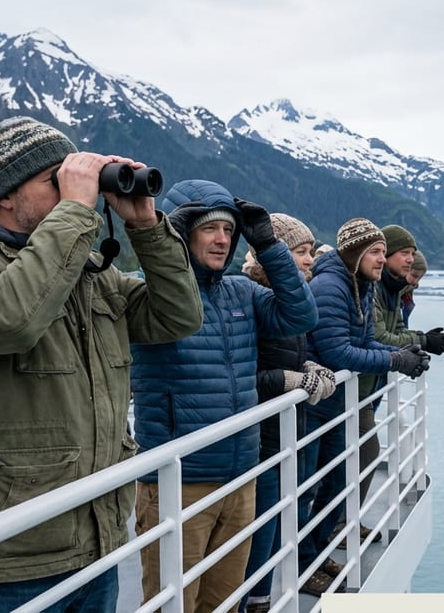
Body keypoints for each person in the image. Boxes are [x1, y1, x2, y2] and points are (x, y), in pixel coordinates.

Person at [0, 116, 203, 612]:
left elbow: (177, 315)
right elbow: (12, 318)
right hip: (11, 557)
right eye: (58, 179)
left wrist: (146, 227)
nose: (79, 190)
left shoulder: (90, 275)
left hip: (98, 538)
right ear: (5, 194)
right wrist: (75, 210)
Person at [130, 180, 318, 612]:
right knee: (174, 605)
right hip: (180, 484)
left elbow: (301, 314)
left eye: (229, 231)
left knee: (224, 602)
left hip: (240, 477)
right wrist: (164, 250)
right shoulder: (150, 293)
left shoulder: (241, 291)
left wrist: (268, 244)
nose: (221, 239)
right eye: (209, 228)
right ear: (181, 232)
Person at [298, 218, 430, 596]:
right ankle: (305, 564)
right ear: (356, 254)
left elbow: (367, 340)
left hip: (337, 405)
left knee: (337, 483)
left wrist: (401, 351)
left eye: (383, 251)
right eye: (376, 251)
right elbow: (336, 350)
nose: (382, 257)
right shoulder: (330, 286)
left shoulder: (360, 285)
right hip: (317, 406)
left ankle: (318, 551)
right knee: (310, 487)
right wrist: (394, 362)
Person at [239, 213, 336, 613]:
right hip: (260, 435)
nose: (311, 259)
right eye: (302, 251)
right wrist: (290, 380)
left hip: (281, 434)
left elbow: (288, 354)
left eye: (311, 251)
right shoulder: (251, 297)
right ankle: (254, 600)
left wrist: (307, 367)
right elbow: (242, 374)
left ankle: (259, 595)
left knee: (275, 519)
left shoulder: (286, 299)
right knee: (262, 525)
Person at [354, 226, 444, 519]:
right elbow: (380, 338)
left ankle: (342, 523)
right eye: (404, 253)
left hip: (368, 386)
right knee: (364, 453)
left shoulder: (392, 290)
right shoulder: (376, 289)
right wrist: (422, 342)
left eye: (412, 254)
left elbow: (393, 332)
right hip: (355, 387)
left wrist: (420, 340)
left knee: (356, 455)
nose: (410, 259)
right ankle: (339, 526)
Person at [401, 251, 428, 326]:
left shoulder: (407, 297)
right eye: (414, 275)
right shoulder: (388, 293)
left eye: (419, 279)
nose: (415, 283)